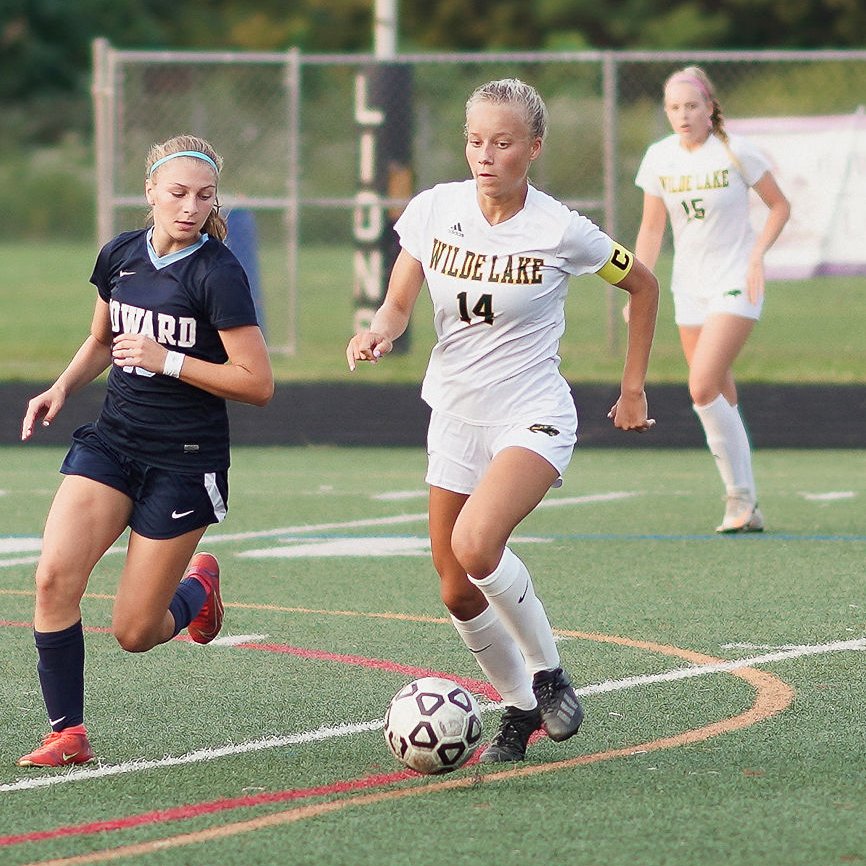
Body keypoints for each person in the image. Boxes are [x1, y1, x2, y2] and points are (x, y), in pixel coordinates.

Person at [346, 79, 658, 763]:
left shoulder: (561, 229)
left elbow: (643, 285)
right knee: (456, 588)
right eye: (475, 140)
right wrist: (380, 331)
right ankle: (518, 709)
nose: (485, 154)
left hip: (533, 415)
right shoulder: (435, 210)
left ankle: (549, 675)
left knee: (477, 543)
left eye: (503, 142)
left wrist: (632, 388)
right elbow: (397, 303)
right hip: (456, 416)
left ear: (533, 148)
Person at [17, 134, 274, 767]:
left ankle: (198, 589)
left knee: (135, 632)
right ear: (150, 192)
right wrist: (61, 387)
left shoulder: (218, 271)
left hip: (184, 460)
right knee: (52, 579)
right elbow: (104, 338)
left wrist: (171, 360)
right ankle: (68, 733)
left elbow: (257, 384)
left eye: (204, 196)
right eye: (178, 193)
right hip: (113, 443)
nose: (190, 207)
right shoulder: (120, 255)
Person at [633, 65, 790, 532]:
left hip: (736, 281)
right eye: (673, 107)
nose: (682, 115)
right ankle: (746, 505)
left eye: (691, 106)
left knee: (701, 385)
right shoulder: (659, 158)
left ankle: (738, 499)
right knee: (717, 392)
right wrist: (635, 287)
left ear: (710, 108)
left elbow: (779, 205)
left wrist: (758, 254)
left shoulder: (735, 152)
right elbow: (651, 228)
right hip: (689, 287)